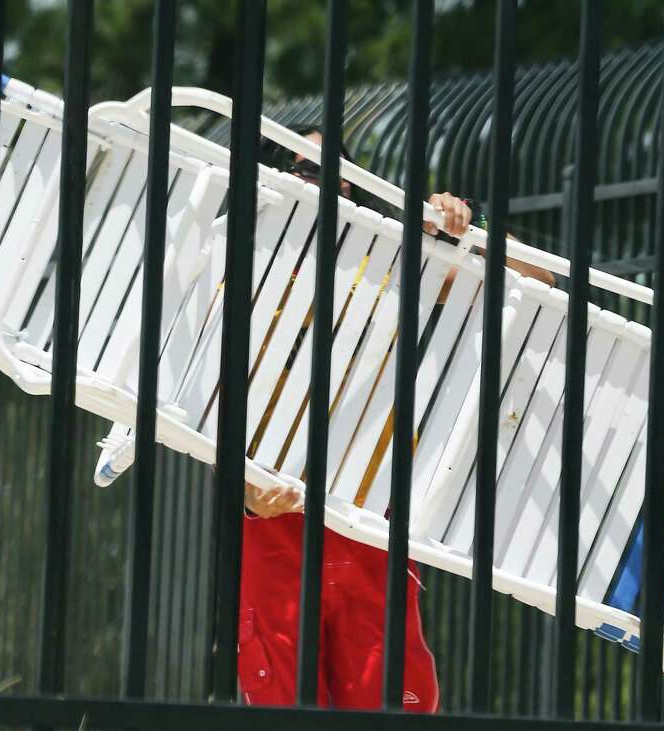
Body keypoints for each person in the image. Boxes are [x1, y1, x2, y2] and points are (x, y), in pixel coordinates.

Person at [237, 126, 553, 711]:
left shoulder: (389, 265)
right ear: (272, 179)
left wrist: (458, 227)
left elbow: (537, 279)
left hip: (372, 519)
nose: (318, 182)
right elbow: (198, 398)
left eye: (335, 172)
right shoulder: (239, 269)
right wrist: (237, 482)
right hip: (274, 520)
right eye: (302, 167)